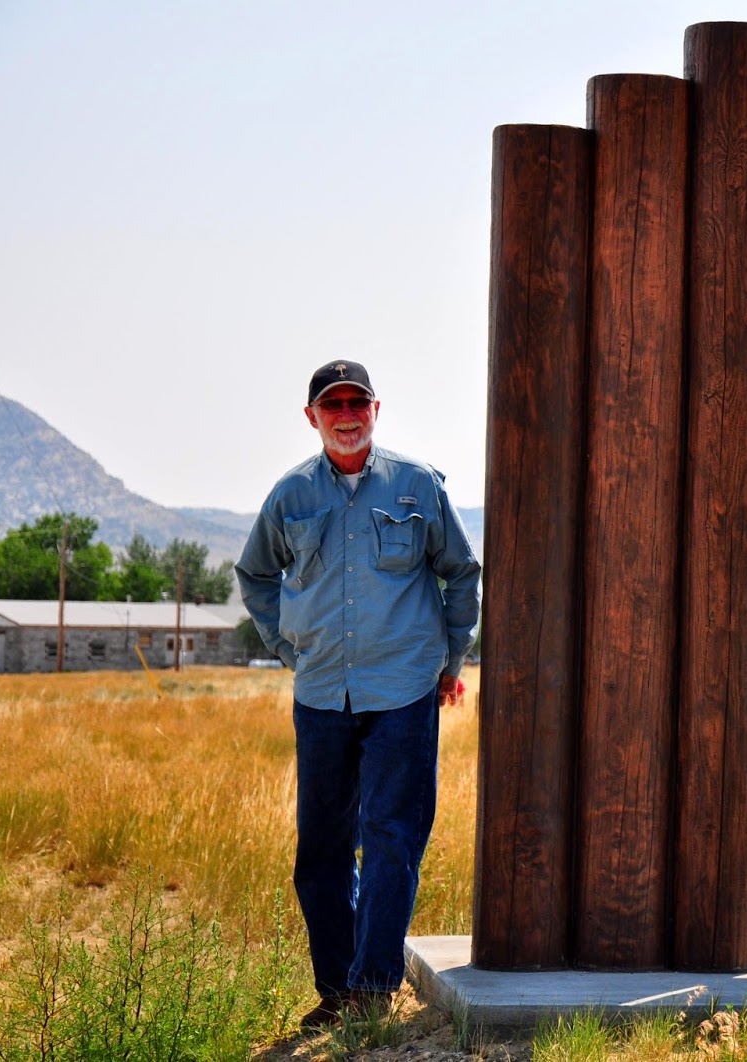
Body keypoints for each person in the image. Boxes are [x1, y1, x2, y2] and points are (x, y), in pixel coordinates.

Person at [236, 360, 481, 1030]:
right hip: (320, 694)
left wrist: (449, 658)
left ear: (377, 410)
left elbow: (460, 573)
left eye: (358, 402)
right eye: (332, 404)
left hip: (402, 691)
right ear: (312, 416)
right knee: (320, 848)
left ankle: (373, 987)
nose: (347, 415)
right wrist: (288, 648)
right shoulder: (290, 496)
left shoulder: (417, 486)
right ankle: (337, 989)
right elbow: (254, 575)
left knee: (392, 838)